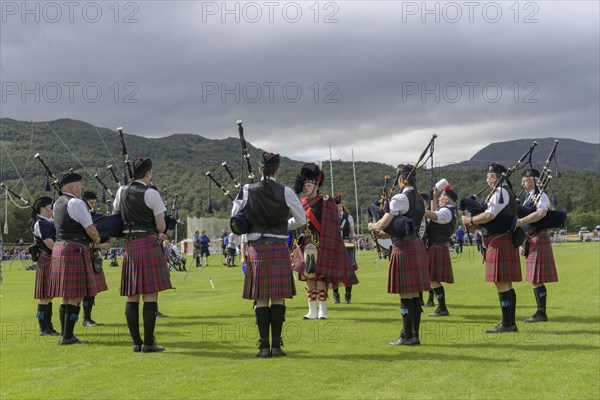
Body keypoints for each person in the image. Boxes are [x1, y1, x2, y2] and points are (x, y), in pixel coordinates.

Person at [231, 152, 306, 357]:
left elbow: (234, 218)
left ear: (259, 169)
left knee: (261, 298)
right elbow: (301, 219)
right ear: (277, 170)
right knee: (278, 298)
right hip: (278, 246)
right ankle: (277, 346)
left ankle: (263, 347)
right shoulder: (286, 191)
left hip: (256, 248)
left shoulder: (246, 190)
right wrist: (285, 225)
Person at [113, 157, 173, 352]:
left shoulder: (121, 191)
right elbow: (161, 225)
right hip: (148, 242)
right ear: (148, 173)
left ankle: (135, 342)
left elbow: (116, 216)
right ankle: (148, 342)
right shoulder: (151, 194)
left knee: (132, 295)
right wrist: (161, 230)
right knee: (149, 295)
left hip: (130, 246)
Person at [368, 164, 430, 346]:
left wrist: (373, 226)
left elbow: (384, 221)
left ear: (402, 180)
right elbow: (405, 226)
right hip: (416, 245)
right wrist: (387, 233)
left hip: (403, 248)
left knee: (405, 293)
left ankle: (406, 336)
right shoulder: (419, 199)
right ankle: (413, 335)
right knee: (414, 294)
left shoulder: (400, 198)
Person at [293, 163, 358, 321]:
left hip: (322, 245)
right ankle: (311, 311)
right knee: (309, 278)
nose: (306, 188)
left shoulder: (325, 201)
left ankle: (322, 311)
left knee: (320, 278)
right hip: (306, 245)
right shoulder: (300, 203)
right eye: (305, 185)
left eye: (309, 185)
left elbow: (331, 225)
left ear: (316, 186)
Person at [461, 163, 521, 333]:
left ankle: (507, 324)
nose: (487, 181)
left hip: (499, 241)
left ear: (494, 177)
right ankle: (509, 322)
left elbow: (490, 215)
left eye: (488, 178)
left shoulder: (500, 192)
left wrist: (470, 220)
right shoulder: (506, 191)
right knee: (506, 283)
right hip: (503, 239)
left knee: (501, 282)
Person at [49, 172, 101, 345]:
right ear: (72, 187)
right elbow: (90, 229)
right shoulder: (76, 203)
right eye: (80, 185)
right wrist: (98, 240)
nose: (81, 188)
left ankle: (65, 335)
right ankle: (68, 336)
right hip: (74, 249)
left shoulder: (57, 203)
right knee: (76, 296)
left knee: (66, 296)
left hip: (60, 248)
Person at [515, 169, 559, 322]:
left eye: (526, 180)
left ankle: (541, 313)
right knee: (535, 279)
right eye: (522, 180)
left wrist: (522, 221)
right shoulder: (529, 197)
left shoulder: (541, 195)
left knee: (536, 279)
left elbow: (542, 213)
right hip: (531, 238)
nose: (522, 183)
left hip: (538, 238)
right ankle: (540, 312)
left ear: (534, 181)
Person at [423, 185, 458, 317]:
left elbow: (433, 214)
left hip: (437, 246)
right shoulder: (448, 210)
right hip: (437, 246)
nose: (439, 201)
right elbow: (434, 211)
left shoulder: (446, 212)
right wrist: (434, 195)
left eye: (441, 199)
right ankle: (441, 307)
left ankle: (442, 308)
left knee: (433, 279)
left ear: (447, 200)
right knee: (432, 279)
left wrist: (418, 210)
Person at [30, 196, 59, 336]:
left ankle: (49, 326)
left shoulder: (50, 221)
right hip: (47, 259)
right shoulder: (40, 223)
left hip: (52, 259)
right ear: (43, 208)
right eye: (51, 207)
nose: (52, 210)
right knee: (45, 296)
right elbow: (50, 244)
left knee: (50, 295)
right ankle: (43, 328)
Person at [80, 190, 108, 327]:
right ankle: (85, 319)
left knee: (92, 290)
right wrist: (99, 245)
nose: (93, 206)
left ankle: (88, 318)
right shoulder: (79, 216)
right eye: (91, 203)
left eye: (94, 203)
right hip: (83, 255)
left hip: (94, 257)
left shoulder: (97, 217)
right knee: (82, 291)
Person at [332, 194, 358, 304]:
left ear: (342, 206)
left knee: (349, 272)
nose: (337, 208)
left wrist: (355, 237)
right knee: (334, 273)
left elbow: (352, 232)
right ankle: (335, 296)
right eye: (335, 206)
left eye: (339, 206)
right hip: (334, 247)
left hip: (347, 245)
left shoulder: (349, 217)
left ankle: (348, 297)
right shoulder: (330, 218)